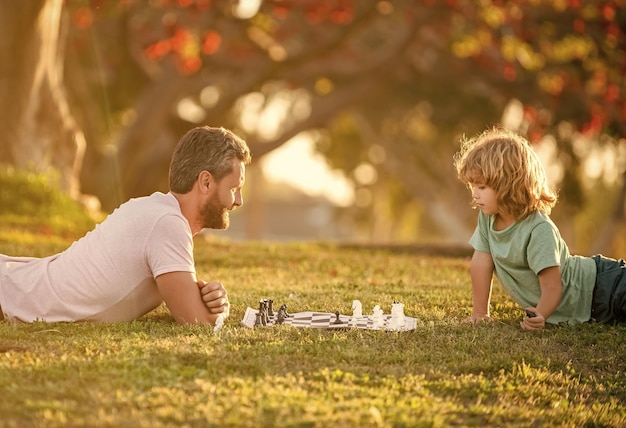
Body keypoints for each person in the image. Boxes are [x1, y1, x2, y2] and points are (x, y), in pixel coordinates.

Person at [0, 126, 251, 325]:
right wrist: (221, 309)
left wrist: (202, 295)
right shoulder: (167, 224)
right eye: (233, 188)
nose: (238, 201)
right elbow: (197, 321)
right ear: (206, 182)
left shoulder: (154, 210)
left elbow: (182, 295)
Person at [453, 127, 626, 330]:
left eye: (481, 187)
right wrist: (480, 313)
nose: (474, 194)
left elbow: (552, 286)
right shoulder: (488, 218)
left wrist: (541, 315)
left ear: (508, 184)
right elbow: (481, 261)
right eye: (472, 186)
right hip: (593, 309)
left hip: (606, 286)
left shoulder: (538, 229)